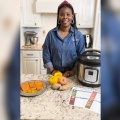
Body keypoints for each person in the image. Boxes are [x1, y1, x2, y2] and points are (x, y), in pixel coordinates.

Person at [43, 0, 85, 77]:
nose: (65, 17)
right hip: (53, 73)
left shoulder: (79, 36)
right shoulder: (51, 34)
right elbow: (46, 54)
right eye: (62, 14)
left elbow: (81, 56)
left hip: (72, 73)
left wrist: (73, 71)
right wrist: (52, 70)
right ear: (58, 16)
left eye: (68, 14)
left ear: (72, 16)